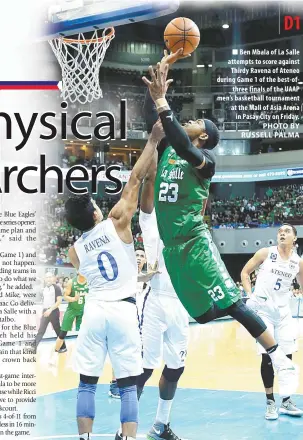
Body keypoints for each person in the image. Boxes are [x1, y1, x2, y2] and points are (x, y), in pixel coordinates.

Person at [141, 50, 299, 412]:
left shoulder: (205, 162)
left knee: (231, 300)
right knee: (203, 313)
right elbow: (160, 125)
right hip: (172, 250)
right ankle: (248, 323)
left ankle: (278, 356)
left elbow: (178, 137)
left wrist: (165, 101)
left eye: (197, 121)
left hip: (195, 242)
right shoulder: (170, 148)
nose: (192, 121)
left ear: (203, 137)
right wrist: (156, 85)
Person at [65, 119, 165, 440]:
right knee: (126, 387)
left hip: (94, 312)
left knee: (86, 383)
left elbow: (86, 261)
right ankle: (129, 437)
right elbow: (135, 178)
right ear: (95, 213)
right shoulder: (117, 221)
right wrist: (152, 140)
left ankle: (84, 438)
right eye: (95, 204)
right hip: (123, 310)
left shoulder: (74, 252)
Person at [138, 157, 189, 440]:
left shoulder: (189, 229)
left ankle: (160, 424)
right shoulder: (154, 223)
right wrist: (152, 171)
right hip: (156, 299)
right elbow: (145, 206)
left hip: (180, 304)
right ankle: (126, 428)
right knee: (144, 368)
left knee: (176, 367)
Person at [241, 224, 303, 420]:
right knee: (268, 357)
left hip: (284, 313)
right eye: (280, 231)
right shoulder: (265, 253)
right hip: (263, 312)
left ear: (295, 238)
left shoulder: (297, 262)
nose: (282, 233)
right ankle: (270, 402)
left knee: (287, 357)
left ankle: (286, 400)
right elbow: (244, 273)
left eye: (287, 232)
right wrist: (249, 295)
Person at [109, 247, 148, 399]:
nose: (138, 257)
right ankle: (114, 385)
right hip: (122, 316)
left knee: (136, 353)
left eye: (141, 256)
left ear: (145, 260)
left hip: (139, 321)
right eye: (136, 255)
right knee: (119, 350)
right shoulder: (125, 274)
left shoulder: (147, 279)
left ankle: (131, 383)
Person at [53, 273, 88, 354]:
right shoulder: (71, 282)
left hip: (83, 311)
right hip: (71, 310)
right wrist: (73, 299)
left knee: (83, 334)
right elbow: (65, 296)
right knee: (62, 334)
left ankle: (82, 354)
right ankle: (55, 353)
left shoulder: (89, 282)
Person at [34, 272, 66, 352]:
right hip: (45, 311)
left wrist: (50, 310)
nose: (48, 279)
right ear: (45, 279)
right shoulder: (44, 288)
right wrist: (44, 310)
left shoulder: (57, 288)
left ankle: (63, 347)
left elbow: (59, 301)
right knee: (41, 330)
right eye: (47, 277)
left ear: (53, 278)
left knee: (57, 330)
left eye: (50, 277)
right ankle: (33, 347)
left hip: (53, 312)